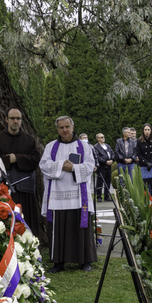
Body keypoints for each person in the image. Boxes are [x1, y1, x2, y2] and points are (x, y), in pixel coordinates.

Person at [40, 116, 97, 272]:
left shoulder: (84, 146)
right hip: (57, 195)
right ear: (57, 129)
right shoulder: (51, 146)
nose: (64, 130)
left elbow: (90, 165)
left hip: (79, 195)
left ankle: (84, 260)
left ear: (72, 127)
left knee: (80, 226)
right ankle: (58, 262)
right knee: (59, 228)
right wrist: (61, 166)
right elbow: (44, 165)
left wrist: (73, 168)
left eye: (67, 127)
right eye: (61, 127)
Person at [0, 108, 43, 235]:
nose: (15, 121)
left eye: (18, 119)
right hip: (5, 189)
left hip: (25, 190)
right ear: (6, 120)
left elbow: (36, 160)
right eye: (12, 118)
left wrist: (17, 158)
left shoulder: (29, 140)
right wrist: (7, 160)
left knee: (27, 224)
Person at [136, 123, 152, 200]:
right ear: (143, 131)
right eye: (145, 130)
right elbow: (139, 154)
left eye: (148, 130)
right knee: (144, 187)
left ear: (151, 131)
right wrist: (146, 163)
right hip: (144, 165)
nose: (147, 131)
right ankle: (146, 203)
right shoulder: (139, 141)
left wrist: (151, 162)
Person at [93, 133, 115, 201]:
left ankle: (106, 196)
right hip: (101, 167)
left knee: (108, 182)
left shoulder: (107, 145)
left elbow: (112, 153)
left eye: (104, 137)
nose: (103, 138)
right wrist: (105, 161)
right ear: (98, 139)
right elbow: (97, 156)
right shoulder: (96, 147)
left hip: (109, 166)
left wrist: (112, 160)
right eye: (101, 137)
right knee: (100, 182)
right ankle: (99, 196)